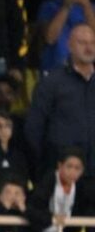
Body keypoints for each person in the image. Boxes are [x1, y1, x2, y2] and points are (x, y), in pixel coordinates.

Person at [26, 23, 95, 174]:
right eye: (82, 43)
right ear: (69, 45)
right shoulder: (52, 82)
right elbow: (34, 127)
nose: (89, 48)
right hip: (62, 170)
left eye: (92, 43)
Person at [37, 0, 95, 74]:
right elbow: (50, 38)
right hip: (56, 69)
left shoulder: (92, 7)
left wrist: (86, 5)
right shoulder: (49, 6)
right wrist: (67, 5)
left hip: (86, 71)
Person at [28, 147, 94, 232]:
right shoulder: (48, 181)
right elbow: (31, 210)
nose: (72, 172)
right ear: (60, 166)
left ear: (82, 171)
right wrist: (51, 217)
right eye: (69, 166)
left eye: (77, 168)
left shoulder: (82, 187)